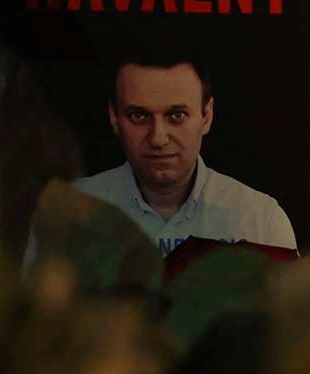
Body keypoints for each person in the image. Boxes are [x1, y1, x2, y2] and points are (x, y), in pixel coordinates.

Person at [72, 38, 297, 257]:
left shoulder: (260, 222)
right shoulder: (68, 215)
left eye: (176, 115)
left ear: (206, 116)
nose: (158, 138)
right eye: (138, 116)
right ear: (114, 118)